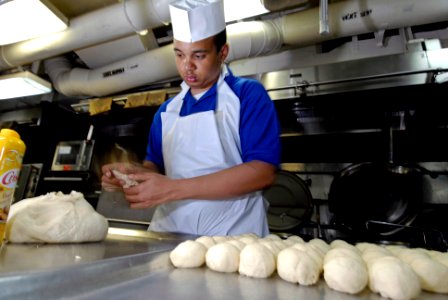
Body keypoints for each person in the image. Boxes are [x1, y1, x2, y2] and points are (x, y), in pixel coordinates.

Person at [101, 0, 281, 237]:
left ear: (222, 52)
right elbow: (153, 166)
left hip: (233, 236)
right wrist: (131, 175)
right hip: (171, 233)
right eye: (179, 55)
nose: (187, 67)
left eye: (199, 55)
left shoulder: (246, 94)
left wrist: (174, 189)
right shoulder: (166, 111)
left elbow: (262, 172)